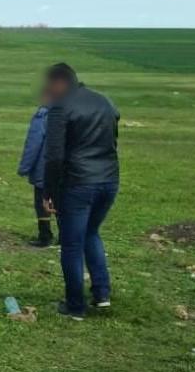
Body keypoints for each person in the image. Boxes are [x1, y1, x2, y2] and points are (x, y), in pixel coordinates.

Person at [42, 63, 120, 321]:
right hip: (109, 180)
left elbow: (54, 156)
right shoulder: (104, 101)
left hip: (78, 183)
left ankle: (75, 306)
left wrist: (49, 192)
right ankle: (102, 294)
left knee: (72, 244)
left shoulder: (60, 108)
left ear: (58, 82)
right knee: (91, 233)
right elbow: (113, 139)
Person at [17, 93, 54, 247]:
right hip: (68, 168)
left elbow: (34, 142)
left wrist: (24, 167)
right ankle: (67, 236)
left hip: (44, 167)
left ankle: (45, 236)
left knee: (41, 201)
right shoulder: (72, 113)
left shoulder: (43, 115)